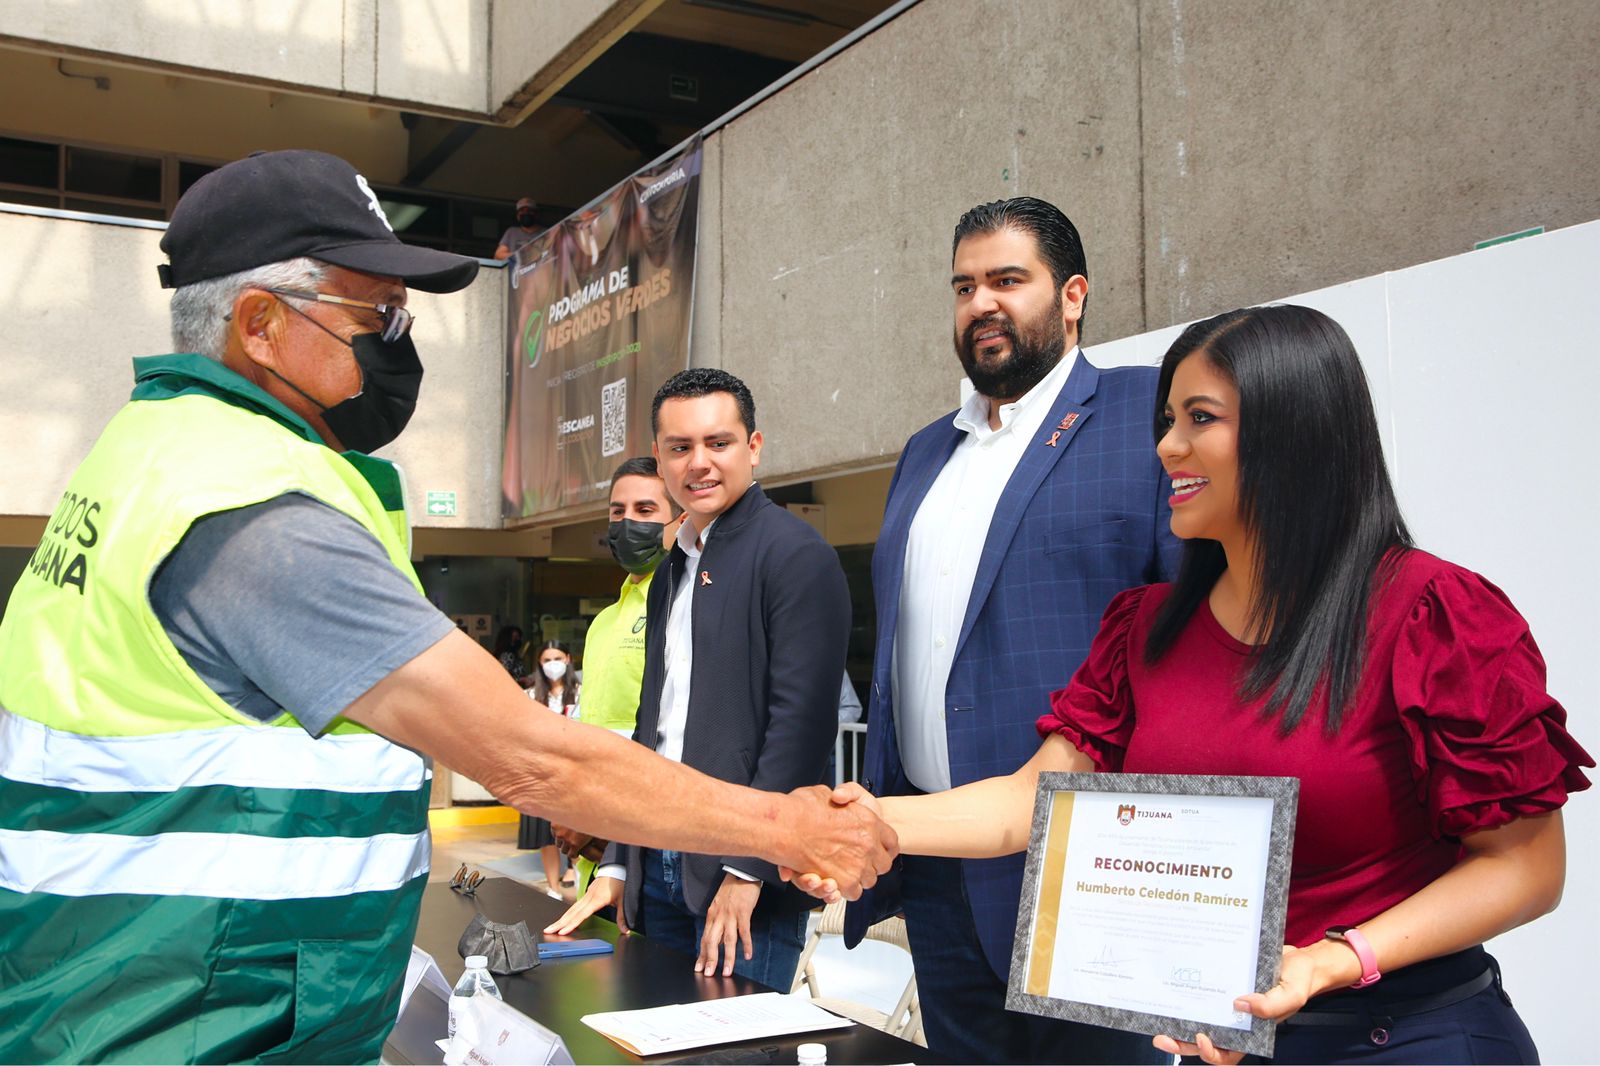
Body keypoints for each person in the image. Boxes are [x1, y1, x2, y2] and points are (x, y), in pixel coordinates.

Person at [0, 149, 895, 1064]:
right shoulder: (250, 509)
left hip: (132, 982)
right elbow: (529, 758)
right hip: (192, 1013)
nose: (397, 340)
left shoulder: (150, 453)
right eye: (374, 313)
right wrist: (787, 828)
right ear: (260, 324)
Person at [804, 304, 1592, 1065]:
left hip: (1408, 1037)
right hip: (1237, 1045)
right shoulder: (1143, 629)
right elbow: (1028, 802)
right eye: (1167, 422)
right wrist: (862, 819)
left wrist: (1332, 961)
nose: (1166, 449)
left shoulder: (1432, 615)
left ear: (1296, 434)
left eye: (1200, 420)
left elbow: (1525, 866)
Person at [847, 196, 1179, 1064]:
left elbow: (1196, 640)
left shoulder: (1147, 420)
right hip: (934, 861)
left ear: (1072, 296)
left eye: (1007, 280)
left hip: (1094, 867)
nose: (981, 304)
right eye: (963, 287)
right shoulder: (926, 452)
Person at [548, 369, 850, 987]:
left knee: (728, 1053)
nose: (700, 463)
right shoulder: (670, 570)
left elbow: (801, 731)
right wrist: (619, 867)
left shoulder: (795, 555)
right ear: (659, 457)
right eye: (681, 447)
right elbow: (652, 730)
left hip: (745, 881)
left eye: (719, 443)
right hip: (657, 863)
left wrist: (747, 871)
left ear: (754, 447)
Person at [550, 457, 684, 894]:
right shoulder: (604, 621)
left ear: (679, 519)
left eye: (645, 512)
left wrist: (603, 820)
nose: (628, 524)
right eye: (617, 512)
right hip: (596, 854)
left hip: (652, 846)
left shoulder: (682, 608)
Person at [519, 641, 580, 896]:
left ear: (567, 659)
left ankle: (576, 878)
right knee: (545, 834)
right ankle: (553, 888)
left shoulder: (581, 692)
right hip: (540, 773)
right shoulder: (531, 695)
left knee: (576, 829)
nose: (552, 664)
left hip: (573, 773)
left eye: (557, 658)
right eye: (546, 660)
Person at [493, 196, 539, 261]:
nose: (526, 213)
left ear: (536, 214)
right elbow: (498, 255)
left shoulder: (546, 233)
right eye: (522, 211)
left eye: (529, 210)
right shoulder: (512, 232)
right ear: (518, 216)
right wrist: (521, 256)